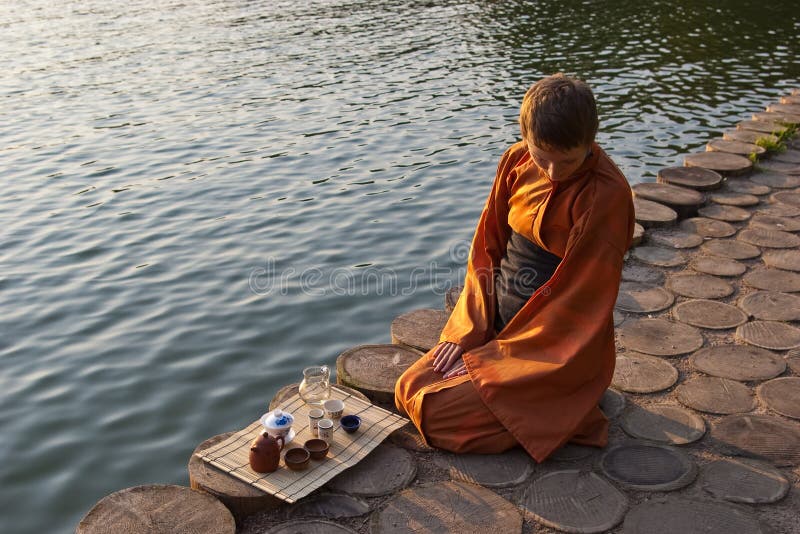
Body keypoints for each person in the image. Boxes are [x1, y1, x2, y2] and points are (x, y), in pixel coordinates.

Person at [394, 74, 635, 462]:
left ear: (591, 141)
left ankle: (566, 406)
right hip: (495, 326)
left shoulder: (606, 195)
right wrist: (468, 332)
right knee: (409, 388)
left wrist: (493, 364)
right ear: (525, 137)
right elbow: (485, 249)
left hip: (552, 348)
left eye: (568, 161)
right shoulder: (515, 160)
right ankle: (546, 412)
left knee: (436, 413)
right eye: (542, 157)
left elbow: (580, 307)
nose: (553, 173)